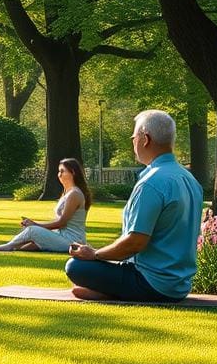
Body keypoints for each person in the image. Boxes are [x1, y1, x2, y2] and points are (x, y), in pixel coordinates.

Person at [65, 110, 203, 302]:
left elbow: (135, 243)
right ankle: (106, 291)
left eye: (133, 137)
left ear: (145, 139)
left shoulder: (152, 183)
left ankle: (108, 293)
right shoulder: (189, 179)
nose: (133, 142)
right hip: (180, 285)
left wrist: (94, 254)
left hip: (151, 282)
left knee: (75, 267)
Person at [0, 158, 91, 252]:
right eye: (59, 171)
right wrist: (35, 224)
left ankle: (9, 246)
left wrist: (35, 225)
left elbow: (62, 223)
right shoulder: (68, 192)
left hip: (71, 241)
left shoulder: (75, 194)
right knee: (27, 243)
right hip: (62, 236)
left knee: (32, 230)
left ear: (73, 172)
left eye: (62, 171)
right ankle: (14, 246)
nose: (59, 175)